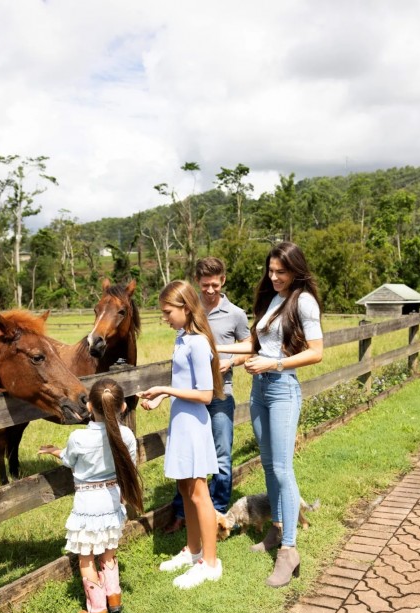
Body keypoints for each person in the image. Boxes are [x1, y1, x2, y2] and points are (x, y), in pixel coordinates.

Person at [217, 241, 323, 588]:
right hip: (260, 390)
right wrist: (212, 344)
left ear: (295, 270)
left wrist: (274, 363)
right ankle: (277, 529)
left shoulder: (303, 301)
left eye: (281, 271)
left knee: (281, 468)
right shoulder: (272, 300)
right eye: (271, 270)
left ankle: (289, 551)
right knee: (268, 465)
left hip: (282, 389)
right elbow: (254, 345)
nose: (274, 276)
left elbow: (317, 353)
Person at [138, 280, 224, 589]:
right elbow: (185, 383)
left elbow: (205, 394)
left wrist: (164, 388)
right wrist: (163, 398)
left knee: (200, 492)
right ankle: (193, 551)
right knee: (185, 488)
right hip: (181, 420)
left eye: (167, 312)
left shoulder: (198, 343)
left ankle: (211, 563)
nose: (165, 318)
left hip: (194, 423)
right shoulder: (182, 338)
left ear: (185, 308)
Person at [38, 378, 143, 613]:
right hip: (112, 503)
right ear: (123, 408)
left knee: (86, 558)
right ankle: (114, 599)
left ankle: (97, 611)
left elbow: (69, 459)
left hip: (87, 508)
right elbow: (130, 466)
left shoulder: (78, 438)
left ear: (88, 407)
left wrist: (55, 451)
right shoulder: (126, 435)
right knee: (109, 552)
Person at [166, 257, 251, 533]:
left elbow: (249, 347)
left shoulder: (235, 314)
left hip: (220, 394)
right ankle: (184, 514)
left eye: (215, 285)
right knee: (189, 458)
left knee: (222, 457)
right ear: (197, 284)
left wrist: (231, 361)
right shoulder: (190, 311)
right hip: (193, 395)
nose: (210, 290)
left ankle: (218, 516)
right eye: (205, 286)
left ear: (223, 281)